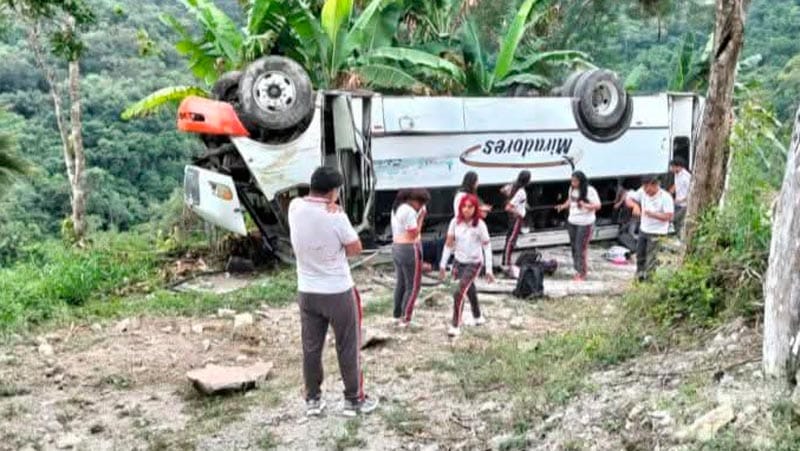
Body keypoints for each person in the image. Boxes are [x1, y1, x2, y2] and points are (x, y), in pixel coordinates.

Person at [287, 166, 378, 417]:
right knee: (348, 345)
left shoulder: (294, 208)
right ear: (333, 192)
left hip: (307, 290)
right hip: (338, 290)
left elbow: (304, 207)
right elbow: (355, 248)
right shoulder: (336, 216)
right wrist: (337, 213)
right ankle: (353, 400)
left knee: (311, 347)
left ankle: (313, 401)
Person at [439, 194, 495, 337]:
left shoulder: (480, 225)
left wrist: (489, 269)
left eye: (470, 207)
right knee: (468, 289)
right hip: (458, 261)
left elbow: (487, 247)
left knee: (458, 292)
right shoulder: (454, 223)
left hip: (474, 263)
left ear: (475, 208)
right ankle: (477, 317)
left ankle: (455, 325)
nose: (466, 210)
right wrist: (442, 264)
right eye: (464, 206)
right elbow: (448, 244)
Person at [391, 188, 430, 327]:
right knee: (413, 286)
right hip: (409, 248)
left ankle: (396, 315)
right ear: (414, 201)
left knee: (401, 283)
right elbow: (413, 233)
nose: (420, 207)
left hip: (396, 247)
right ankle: (406, 318)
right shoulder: (409, 211)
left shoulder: (396, 208)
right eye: (420, 203)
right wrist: (420, 217)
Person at [625, 175, 674, 281]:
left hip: (657, 232)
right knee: (640, 256)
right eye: (644, 188)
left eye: (648, 188)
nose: (646, 191)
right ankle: (639, 277)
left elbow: (669, 216)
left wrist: (652, 214)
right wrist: (635, 206)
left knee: (651, 258)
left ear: (656, 185)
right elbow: (628, 198)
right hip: (644, 229)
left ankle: (649, 282)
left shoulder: (665, 197)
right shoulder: (642, 192)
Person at [555, 171, 601, 281]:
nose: (572, 183)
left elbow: (598, 206)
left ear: (581, 181)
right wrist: (562, 206)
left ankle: (582, 273)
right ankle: (577, 270)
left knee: (581, 248)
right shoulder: (572, 189)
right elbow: (570, 201)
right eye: (572, 181)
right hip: (572, 221)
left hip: (585, 223)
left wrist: (585, 205)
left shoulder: (590, 190)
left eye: (575, 181)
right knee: (574, 247)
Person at [502, 170, 531, 267]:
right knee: (511, 241)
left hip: (513, 218)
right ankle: (506, 263)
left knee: (510, 240)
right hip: (516, 218)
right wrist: (518, 211)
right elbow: (508, 207)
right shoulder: (521, 191)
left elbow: (503, 190)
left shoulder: (513, 186)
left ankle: (506, 262)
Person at [668, 157, 691, 235]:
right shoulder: (676, 174)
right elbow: (677, 184)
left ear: (678, 166)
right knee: (675, 221)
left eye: (672, 167)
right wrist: (671, 191)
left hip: (684, 204)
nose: (671, 169)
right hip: (677, 203)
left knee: (676, 219)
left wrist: (680, 200)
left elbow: (690, 192)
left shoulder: (686, 177)